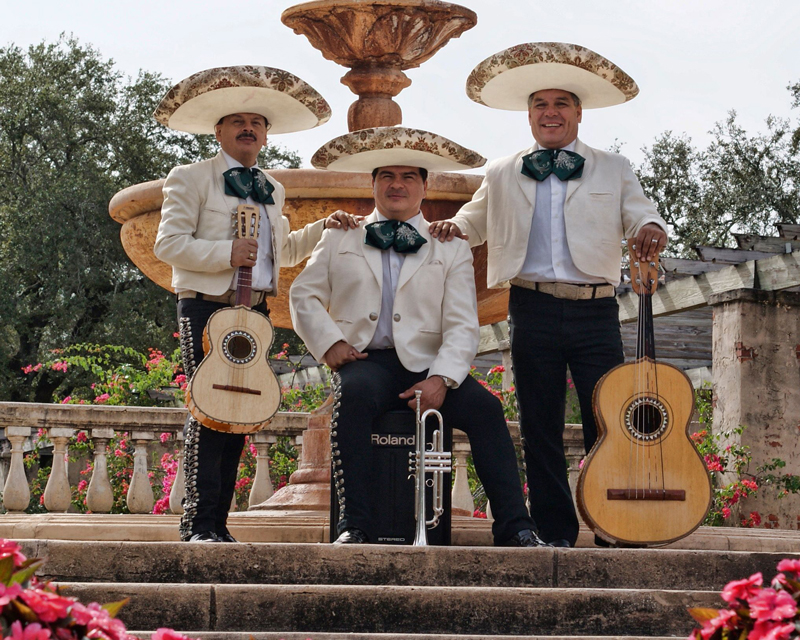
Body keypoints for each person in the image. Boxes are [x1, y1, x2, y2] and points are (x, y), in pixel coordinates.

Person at [429, 43, 669, 548]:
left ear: (579, 113)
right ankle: (555, 533)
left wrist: (651, 227)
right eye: (540, 104)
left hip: (595, 309)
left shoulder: (613, 166)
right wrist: (450, 228)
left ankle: (614, 527)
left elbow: (641, 214)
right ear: (529, 114)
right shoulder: (502, 170)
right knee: (539, 426)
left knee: (610, 419)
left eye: (561, 103)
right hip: (531, 306)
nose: (550, 112)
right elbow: (472, 221)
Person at [292, 126, 546, 547]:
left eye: (409, 176)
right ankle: (354, 526)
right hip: (368, 362)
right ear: (373, 184)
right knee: (353, 396)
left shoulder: (449, 244)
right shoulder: (340, 235)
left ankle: (517, 528)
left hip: (429, 366)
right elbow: (303, 294)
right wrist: (330, 343)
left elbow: (463, 323)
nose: (397, 184)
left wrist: (442, 379)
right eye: (387, 176)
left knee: (486, 410)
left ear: (425, 187)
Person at [153, 65, 358, 543]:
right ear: (219, 131)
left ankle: (217, 525)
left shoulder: (273, 188)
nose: (249, 129)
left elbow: (280, 253)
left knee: (240, 414)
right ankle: (198, 524)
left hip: (255, 314)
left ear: (265, 135)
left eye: (257, 123)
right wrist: (225, 253)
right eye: (238, 121)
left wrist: (323, 227)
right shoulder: (190, 177)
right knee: (209, 408)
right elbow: (167, 244)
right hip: (206, 308)